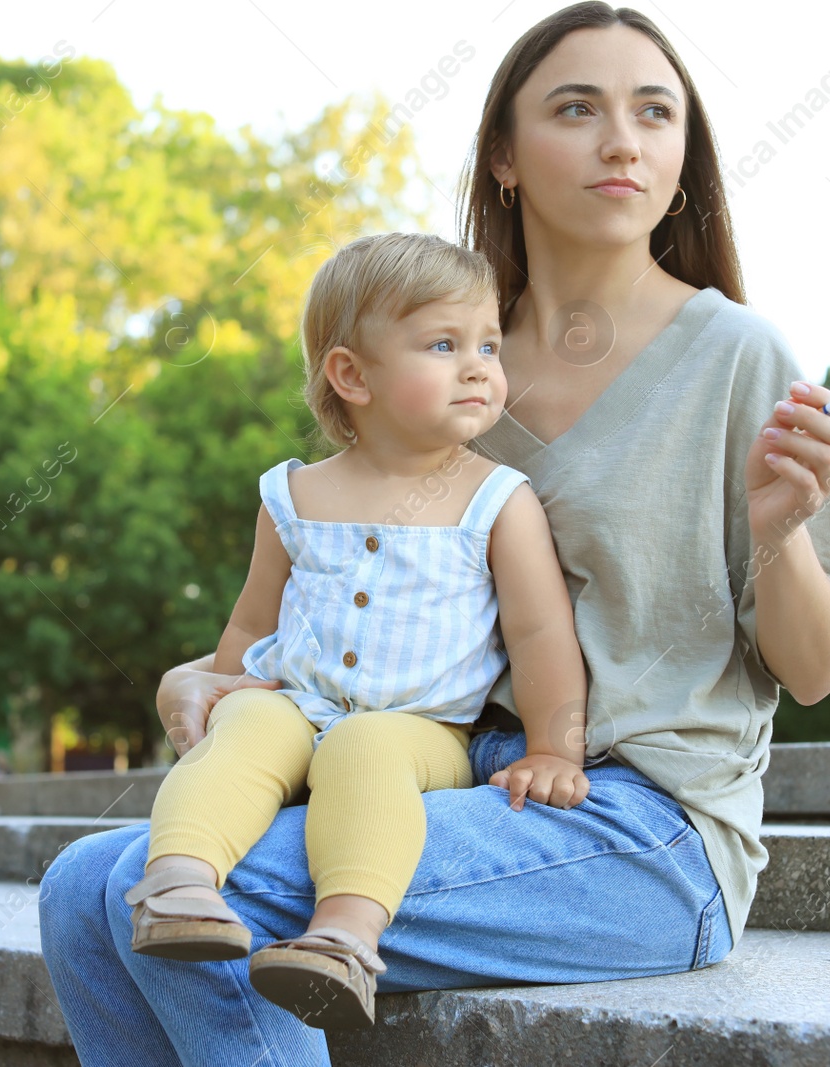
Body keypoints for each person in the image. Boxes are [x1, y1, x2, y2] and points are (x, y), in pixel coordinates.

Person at [38, 5, 830, 1064]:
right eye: (576, 108)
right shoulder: (447, 360)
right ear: (502, 155)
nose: (621, 139)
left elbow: (811, 672)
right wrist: (210, 679)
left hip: (645, 829)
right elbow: (350, 595)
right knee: (79, 884)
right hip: (429, 769)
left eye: (655, 113)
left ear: (682, 159)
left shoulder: (737, 352)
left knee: (158, 883)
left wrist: (779, 533)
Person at [122, 231, 589, 1030]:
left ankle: (344, 938)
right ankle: (180, 885)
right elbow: (252, 618)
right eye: (444, 344)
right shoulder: (294, 495)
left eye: (487, 344)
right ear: (351, 374)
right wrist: (229, 684)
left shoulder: (497, 500)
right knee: (247, 723)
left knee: (366, 744)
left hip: (419, 730)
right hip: (296, 703)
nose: (479, 365)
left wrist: (552, 749)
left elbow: (543, 635)